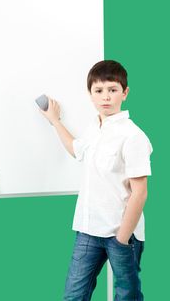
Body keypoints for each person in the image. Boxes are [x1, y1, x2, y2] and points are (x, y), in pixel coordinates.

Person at [38, 60, 153, 301]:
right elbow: (75, 149)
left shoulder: (133, 136)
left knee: (127, 297)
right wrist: (55, 120)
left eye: (112, 90)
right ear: (90, 94)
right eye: (98, 91)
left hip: (122, 234)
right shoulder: (94, 128)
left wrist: (122, 238)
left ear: (125, 92)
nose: (106, 97)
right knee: (73, 296)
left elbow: (140, 192)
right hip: (88, 229)